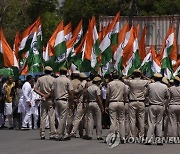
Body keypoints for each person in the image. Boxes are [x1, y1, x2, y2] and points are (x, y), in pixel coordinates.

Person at [124, 69, 150, 138]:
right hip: (141, 102)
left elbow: (122, 79)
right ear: (140, 75)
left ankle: (133, 135)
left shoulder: (131, 82)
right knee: (141, 120)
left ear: (133, 75)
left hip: (132, 101)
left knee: (132, 120)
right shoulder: (144, 81)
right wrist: (144, 76)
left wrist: (129, 75)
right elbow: (152, 81)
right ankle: (141, 135)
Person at [145, 73, 169, 145]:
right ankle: (159, 140)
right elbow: (167, 96)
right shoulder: (164, 86)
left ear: (154, 78)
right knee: (159, 123)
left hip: (152, 105)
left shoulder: (150, 85)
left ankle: (149, 139)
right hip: (160, 105)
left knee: (151, 123)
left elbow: (146, 94)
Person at [34, 66, 56, 140]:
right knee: (51, 116)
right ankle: (52, 133)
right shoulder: (53, 79)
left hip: (43, 99)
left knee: (43, 117)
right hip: (50, 99)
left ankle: (42, 133)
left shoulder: (40, 79)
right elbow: (53, 90)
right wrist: (47, 95)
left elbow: (35, 89)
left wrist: (43, 95)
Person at [52, 67, 74, 141]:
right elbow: (71, 92)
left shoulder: (55, 80)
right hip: (64, 100)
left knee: (60, 117)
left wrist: (52, 101)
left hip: (57, 100)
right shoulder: (67, 80)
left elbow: (52, 91)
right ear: (66, 73)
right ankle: (59, 134)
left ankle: (64, 133)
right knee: (63, 118)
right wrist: (72, 102)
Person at [105, 72, 126, 143]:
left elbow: (108, 95)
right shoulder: (123, 84)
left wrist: (106, 105)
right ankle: (123, 137)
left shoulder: (110, 84)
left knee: (113, 121)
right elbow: (125, 94)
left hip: (112, 102)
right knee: (121, 121)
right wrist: (124, 102)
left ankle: (112, 137)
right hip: (121, 102)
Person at [70, 72, 88, 137]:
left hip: (82, 102)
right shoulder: (86, 82)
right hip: (86, 102)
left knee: (77, 117)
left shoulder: (82, 83)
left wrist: (72, 92)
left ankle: (73, 132)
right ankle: (82, 133)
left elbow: (77, 91)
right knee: (83, 118)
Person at [66, 70, 80, 136]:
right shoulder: (80, 82)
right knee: (78, 117)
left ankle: (68, 131)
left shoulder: (70, 82)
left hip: (70, 100)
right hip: (78, 100)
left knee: (70, 116)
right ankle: (80, 132)